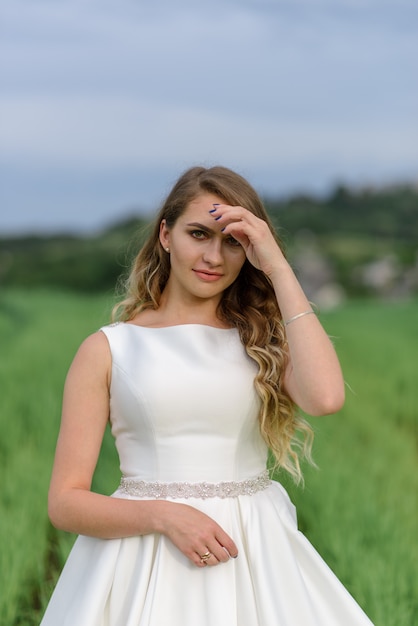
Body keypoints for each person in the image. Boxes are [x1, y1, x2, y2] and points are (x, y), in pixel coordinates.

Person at [40, 166, 374, 625]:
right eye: (198, 233)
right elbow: (65, 502)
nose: (214, 256)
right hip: (144, 557)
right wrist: (166, 516)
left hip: (255, 553)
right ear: (165, 235)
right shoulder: (108, 349)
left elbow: (326, 398)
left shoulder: (263, 343)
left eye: (233, 241)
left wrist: (277, 266)